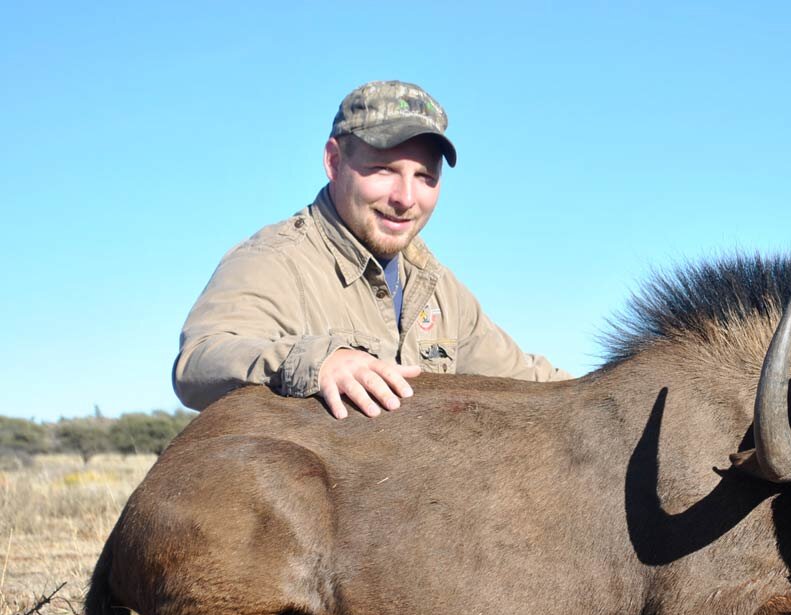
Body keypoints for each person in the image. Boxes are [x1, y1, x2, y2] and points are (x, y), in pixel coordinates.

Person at [173, 80, 568, 418]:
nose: (405, 198)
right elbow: (199, 361)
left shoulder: (438, 288)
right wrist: (319, 361)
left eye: (425, 177)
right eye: (383, 170)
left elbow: (526, 381)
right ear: (333, 161)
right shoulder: (275, 260)